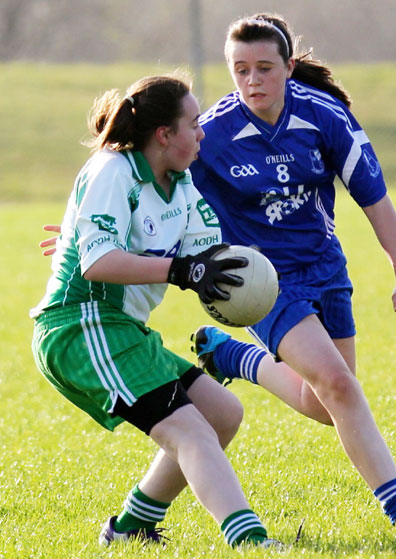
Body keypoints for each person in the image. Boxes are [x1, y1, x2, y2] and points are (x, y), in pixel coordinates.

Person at [189, 13, 396, 527]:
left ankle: (234, 359)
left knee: (326, 402)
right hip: (256, 281)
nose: (252, 81)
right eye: (240, 70)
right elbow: (149, 178)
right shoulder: (212, 134)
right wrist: (87, 226)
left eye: (264, 69)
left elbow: (376, 200)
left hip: (325, 265)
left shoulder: (325, 116)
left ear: (289, 67)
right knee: (340, 387)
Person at [31, 75, 282, 548]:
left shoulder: (181, 185)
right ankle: (252, 542)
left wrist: (250, 278)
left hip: (119, 329)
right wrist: (180, 271)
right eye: (193, 123)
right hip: (81, 326)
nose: (202, 133)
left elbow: (208, 259)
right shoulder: (113, 170)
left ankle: (130, 527)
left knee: (221, 413)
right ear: (165, 134)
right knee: (190, 432)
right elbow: (99, 262)